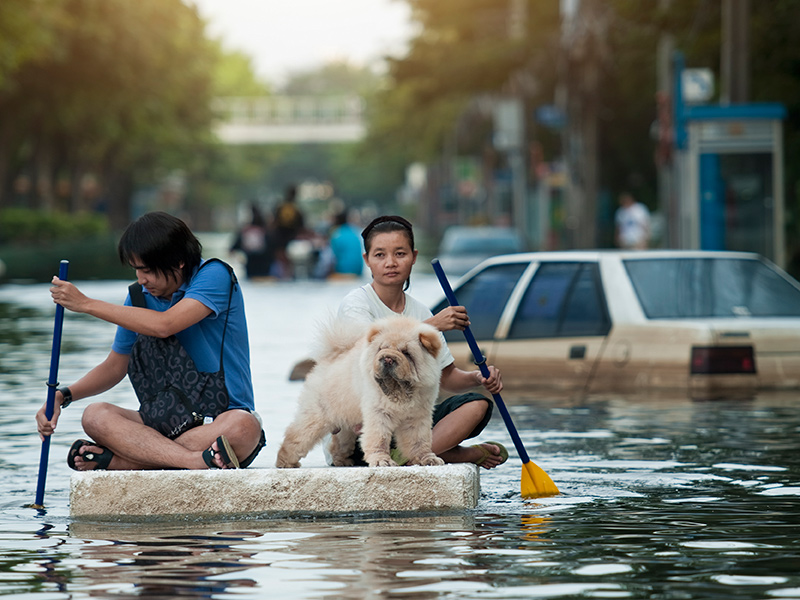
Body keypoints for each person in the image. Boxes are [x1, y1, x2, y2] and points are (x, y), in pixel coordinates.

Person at [36, 211, 265, 471]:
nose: (141, 279)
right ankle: (192, 460)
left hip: (218, 422)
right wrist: (62, 395)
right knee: (95, 415)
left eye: (147, 270)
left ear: (178, 261)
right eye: (136, 269)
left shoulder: (215, 275)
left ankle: (127, 460)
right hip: (163, 426)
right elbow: (114, 367)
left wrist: (86, 304)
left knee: (244, 427)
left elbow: (165, 325)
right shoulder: (138, 298)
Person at [336, 215, 508, 469]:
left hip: (408, 422)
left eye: (400, 254)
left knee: (476, 404)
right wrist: (432, 326)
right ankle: (458, 454)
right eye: (380, 255)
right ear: (367, 261)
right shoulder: (356, 304)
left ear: (414, 257)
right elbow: (369, 354)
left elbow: (447, 377)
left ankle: (410, 455)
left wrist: (478, 378)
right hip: (366, 426)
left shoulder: (421, 312)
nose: (391, 263)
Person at [230, 203, 273, 280]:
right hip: (265, 266)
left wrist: (240, 261)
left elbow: (232, 250)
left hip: (251, 266)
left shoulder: (245, 231)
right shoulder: (267, 231)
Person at [273, 184, 305, 279]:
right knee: (289, 256)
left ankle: (284, 273)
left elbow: (275, 220)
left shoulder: (281, 206)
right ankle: (288, 273)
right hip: (291, 234)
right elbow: (301, 223)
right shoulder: (296, 208)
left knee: (282, 254)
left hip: (280, 233)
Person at [328, 211, 363, 278]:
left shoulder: (336, 234)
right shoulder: (354, 231)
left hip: (343, 271)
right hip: (358, 271)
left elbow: (332, 257)